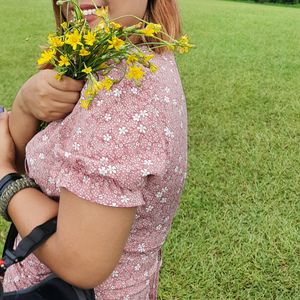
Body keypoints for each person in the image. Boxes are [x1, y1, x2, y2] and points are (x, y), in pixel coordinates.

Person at [0, 0, 187, 298]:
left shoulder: (123, 89)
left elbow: (81, 261)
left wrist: (4, 178)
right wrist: (26, 103)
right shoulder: (111, 57)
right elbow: (35, 165)